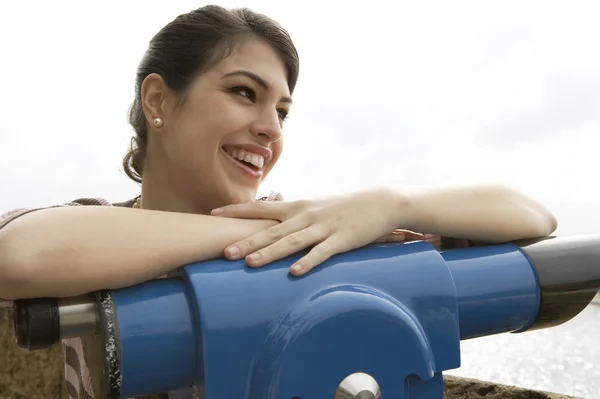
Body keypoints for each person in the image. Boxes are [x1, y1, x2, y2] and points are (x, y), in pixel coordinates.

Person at [0, 5, 557, 399]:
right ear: (158, 100)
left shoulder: (317, 234)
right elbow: (16, 256)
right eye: (244, 92)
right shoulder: (292, 232)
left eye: (283, 111)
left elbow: (532, 217)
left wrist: (388, 204)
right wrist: (264, 233)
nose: (270, 129)